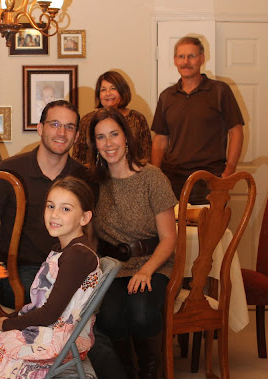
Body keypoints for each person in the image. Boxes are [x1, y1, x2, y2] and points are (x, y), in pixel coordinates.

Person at [0, 177, 101, 378]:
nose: (54, 214)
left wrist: (2, 324)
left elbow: (49, 314)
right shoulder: (66, 250)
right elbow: (41, 307)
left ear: (84, 218)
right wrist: (7, 319)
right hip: (51, 331)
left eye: (65, 209)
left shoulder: (78, 255)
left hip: (57, 340)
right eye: (50, 206)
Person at [88, 108, 177, 378]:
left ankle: (149, 373)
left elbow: (169, 237)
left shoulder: (152, 177)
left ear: (126, 137)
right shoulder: (93, 183)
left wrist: (146, 270)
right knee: (109, 317)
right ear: (95, 145)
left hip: (153, 263)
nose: (109, 143)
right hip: (112, 267)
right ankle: (125, 372)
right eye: (101, 137)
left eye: (114, 134)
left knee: (140, 312)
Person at [0, 100, 92, 309]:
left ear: (76, 136)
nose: (61, 132)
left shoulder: (84, 178)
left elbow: (92, 232)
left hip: (68, 267)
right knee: (49, 299)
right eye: (55, 124)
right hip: (17, 271)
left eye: (69, 127)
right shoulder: (9, 172)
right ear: (40, 128)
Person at [151, 36, 244, 204]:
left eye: (191, 56)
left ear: (202, 59)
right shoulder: (166, 96)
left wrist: (228, 173)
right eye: (181, 56)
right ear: (175, 60)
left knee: (210, 223)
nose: (186, 61)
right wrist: (155, 176)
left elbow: (236, 132)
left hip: (209, 179)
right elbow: (160, 139)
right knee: (172, 222)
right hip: (172, 180)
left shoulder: (220, 91)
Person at [72, 70, 152, 165]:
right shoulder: (87, 121)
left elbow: (145, 156)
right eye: (103, 90)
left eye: (113, 88)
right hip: (94, 173)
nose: (108, 93)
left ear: (122, 91)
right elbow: (77, 159)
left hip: (132, 172)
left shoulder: (137, 119)